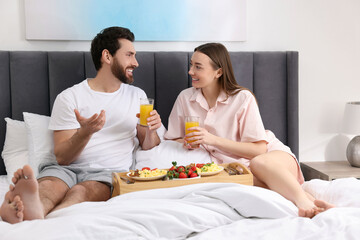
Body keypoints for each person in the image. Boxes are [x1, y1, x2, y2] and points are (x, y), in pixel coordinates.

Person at [0, 26, 162, 224]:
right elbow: (62, 157)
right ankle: (32, 206)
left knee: (82, 192)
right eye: (129, 55)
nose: (135, 63)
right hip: (64, 169)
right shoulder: (70, 97)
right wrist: (85, 133)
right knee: (49, 186)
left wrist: (150, 129)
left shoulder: (138, 96)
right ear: (107, 56)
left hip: (107, 173)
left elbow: (148, 145)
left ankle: (46, 220)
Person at [164, 42, 334, 218]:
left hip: (270, 157)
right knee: (245, 182)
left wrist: (212, 139)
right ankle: (314, 203)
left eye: (198, 67)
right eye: (191, 64)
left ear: (219, 72)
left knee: (258, 164)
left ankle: (303, 203)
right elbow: (173, 139)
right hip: (234, 168)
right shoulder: (185, 98)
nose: (191, 71)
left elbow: (259, 150)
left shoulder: (242, 98)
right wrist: (188, 142)